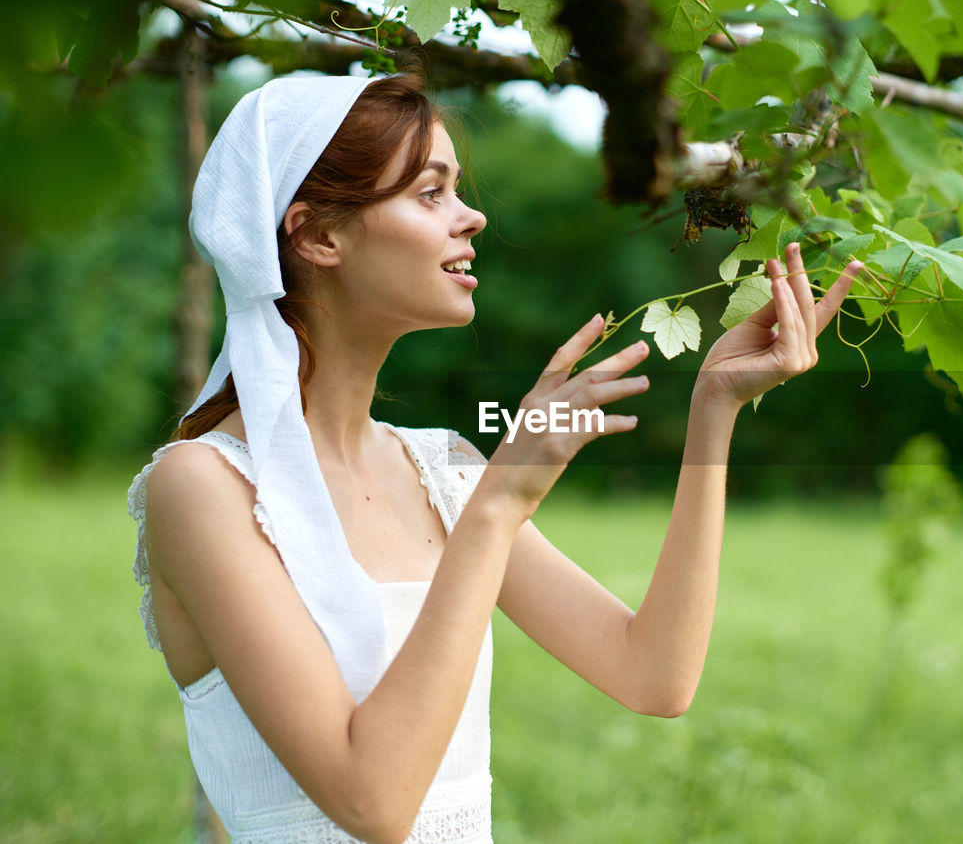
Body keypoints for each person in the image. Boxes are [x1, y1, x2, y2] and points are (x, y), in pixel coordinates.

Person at [127, 70, 859, 844]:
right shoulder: (205, 487)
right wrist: (503, 500)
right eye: (429, 193)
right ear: (316, 235)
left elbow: (654, 675)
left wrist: (715, 406)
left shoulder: (442, 470)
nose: (472, 216)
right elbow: (373, 802)